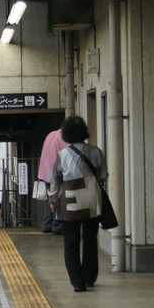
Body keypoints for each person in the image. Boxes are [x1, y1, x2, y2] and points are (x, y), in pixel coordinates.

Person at [48, 115, 106, 292]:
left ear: (66, 134)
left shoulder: (62, 155)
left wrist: (52, 200)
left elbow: (55, 180)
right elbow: (103, 176)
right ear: (84, 133)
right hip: (92, 200)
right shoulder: (95, 152)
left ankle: (77, 282)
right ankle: (90, 278)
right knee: (90, 240)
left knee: (71, 242)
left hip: (70, 201)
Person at [37, 128, 66, 234]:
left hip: (45, 172)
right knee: (59, 198)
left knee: (49, 199)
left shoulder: (50, 135)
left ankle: (46, 225)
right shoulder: (63, 138)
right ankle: (57, 227)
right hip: (56, 173)